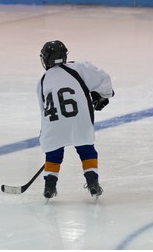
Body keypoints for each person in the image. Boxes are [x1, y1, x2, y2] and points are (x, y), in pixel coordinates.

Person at [36, 40, 114, 200]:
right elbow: (103, 79)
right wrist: (103, 95)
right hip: (79, 119)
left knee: (53, 153)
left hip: (54, 123)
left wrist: (45, 134)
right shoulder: (78, 68)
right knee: (86, 150)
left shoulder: (42, 81)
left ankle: (49, 186)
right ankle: (93, 183)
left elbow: (43, 110)